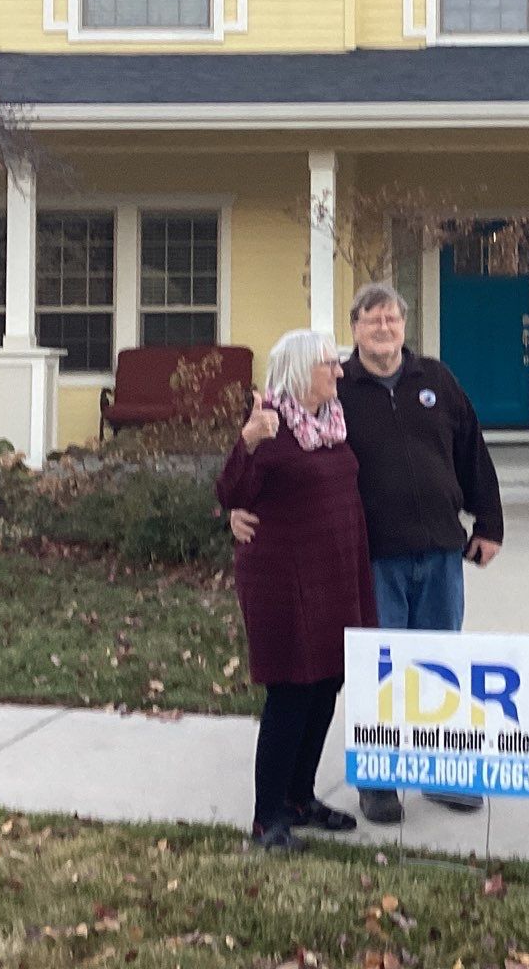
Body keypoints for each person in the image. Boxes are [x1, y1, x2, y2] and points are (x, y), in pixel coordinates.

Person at [236, 281, 505, 824]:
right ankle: (378, 783)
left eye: (393, 320)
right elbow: (274, 443)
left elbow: (471, 448)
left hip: (439, 552)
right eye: (372, 320)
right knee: (378, 670)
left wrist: (489, 522)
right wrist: (238, 505)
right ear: (354, 329)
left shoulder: (438, 379)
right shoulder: (338, 388)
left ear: (405, 328)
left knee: (437, 666)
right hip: (370, 557)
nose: (385, 329)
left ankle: (443, 775)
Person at [215, 327, 376, 852]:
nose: (339, 371)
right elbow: (232, 493)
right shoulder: (269, 425)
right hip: (283, 581)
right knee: (291, 690)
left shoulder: (332, 422)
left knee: (326, 684)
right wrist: (247, 441)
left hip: (336, 575)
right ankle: (268, 817)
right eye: (329, 363)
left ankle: (300, 799)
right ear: (302, 371)